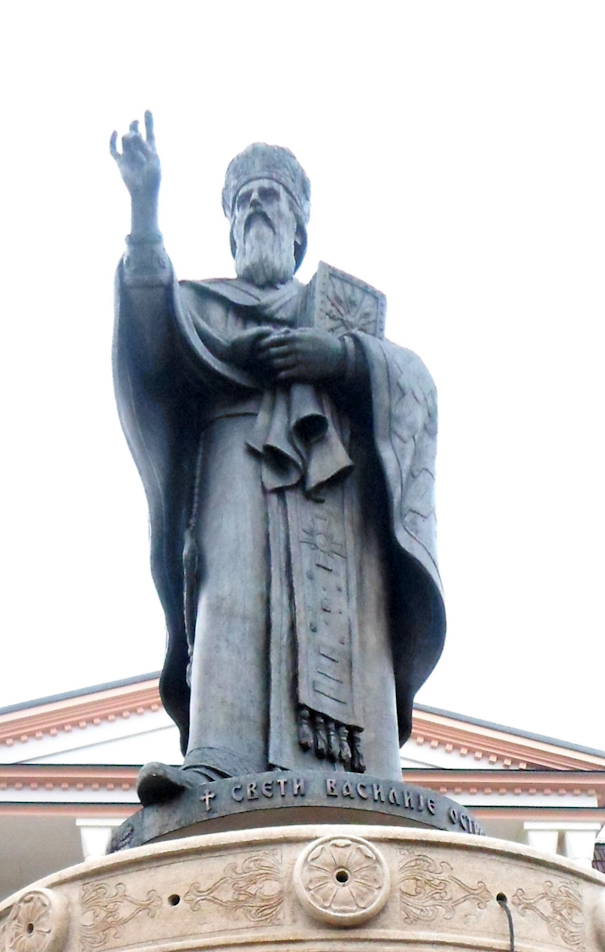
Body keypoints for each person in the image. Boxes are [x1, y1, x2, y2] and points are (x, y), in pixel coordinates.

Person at [111, 114, 445, 804]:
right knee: (230, 597)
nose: (259, 207)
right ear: (232, 228)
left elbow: (414, 383)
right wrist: (144, 212)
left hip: (339, 486)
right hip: (234, 458)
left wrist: (343, 358)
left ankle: (366, 769)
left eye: (273, 197)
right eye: (245, 201)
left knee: (351, 622)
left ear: (299, 227)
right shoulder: (202, 305)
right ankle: (216, 758)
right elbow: (151, 348)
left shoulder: (340, 315)